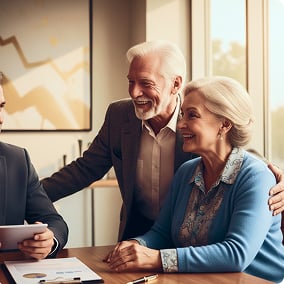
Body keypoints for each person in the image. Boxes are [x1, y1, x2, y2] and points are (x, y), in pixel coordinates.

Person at [41, 40, 284, 242]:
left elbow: (235, 151)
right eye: (131, 82)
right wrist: (27, 196)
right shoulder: (118, 116)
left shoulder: (199, 121)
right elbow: (84, 169)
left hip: (190, 241)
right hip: (140, 235)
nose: (135, 93)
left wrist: (274, 176)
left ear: (175, 84)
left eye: (146, 83)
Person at [106, 76, 284, 283]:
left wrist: (157, 258)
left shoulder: (256, 177)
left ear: (224, 125)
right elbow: (161, 233)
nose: (181, 124)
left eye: (192, 116)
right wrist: (136, 246)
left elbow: (236, 254)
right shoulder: (186, 171)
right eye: (182, 114)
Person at [0, 72, 68, 260]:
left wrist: (48, 241)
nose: (1, 118)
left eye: (1, 106)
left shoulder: (18, 160)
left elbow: (55, 222)